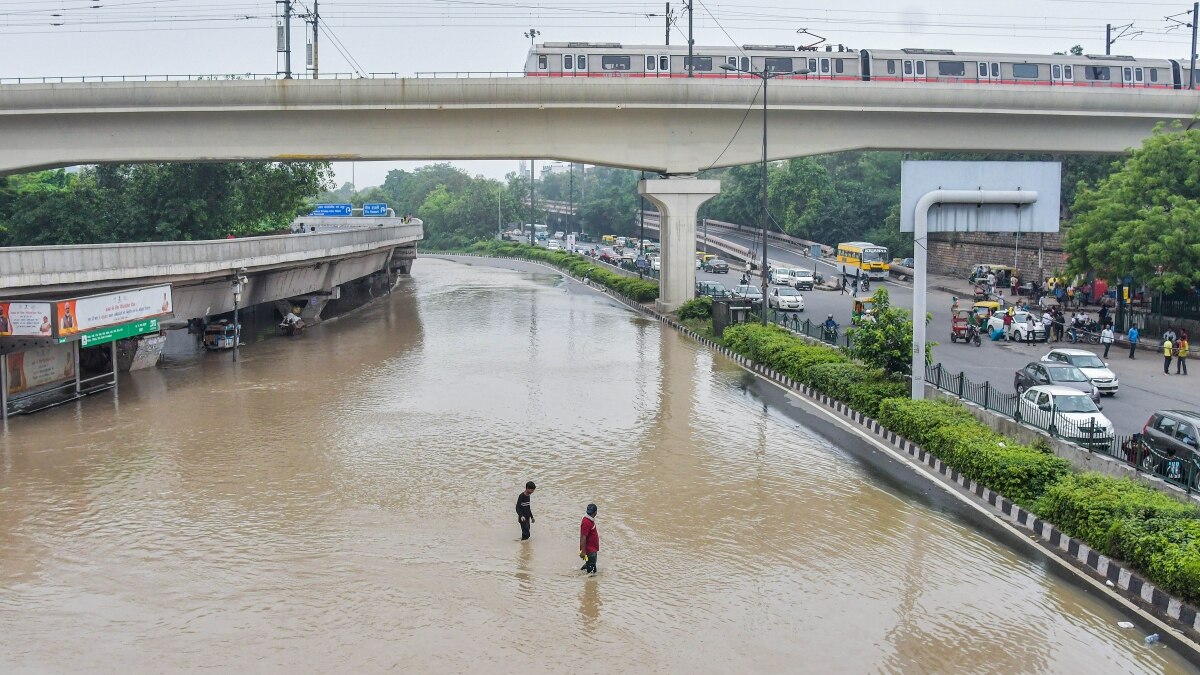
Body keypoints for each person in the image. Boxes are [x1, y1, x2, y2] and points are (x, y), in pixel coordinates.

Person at [579, 503, 599, 575]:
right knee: (592, 572)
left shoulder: (589, 520)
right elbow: (583, 537)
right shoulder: (586, 522)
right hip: (590, 550)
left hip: (591, 549)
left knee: (590, 565)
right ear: (596, 512)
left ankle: (580, 573)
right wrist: (583, 551)